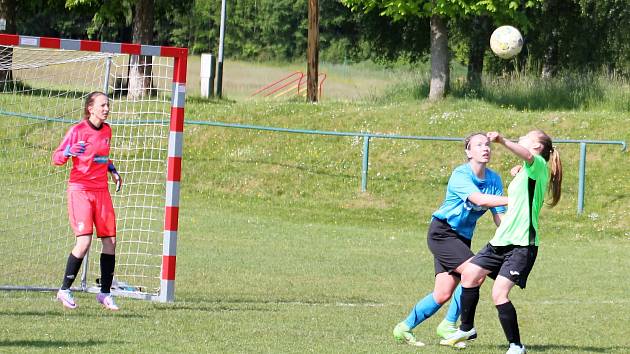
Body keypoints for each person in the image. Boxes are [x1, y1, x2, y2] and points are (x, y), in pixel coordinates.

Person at [440, 130, 562, 354]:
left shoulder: (538, 165)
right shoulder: (529, 169)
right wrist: (519, 172)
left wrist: (503, 141)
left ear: (536, 148)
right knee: (469, 275)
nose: (521, 137)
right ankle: (466, 328)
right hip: (501, 241)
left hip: (522, 244)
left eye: (526, 137)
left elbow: (527, 157)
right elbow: (525, 168)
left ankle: (516, 346)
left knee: (499, 294)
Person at [393, 132, 509, 347]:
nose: (485, 148)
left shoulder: (494, 179)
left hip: (462, 238)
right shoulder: (460, 175)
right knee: (476, 273)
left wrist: (513, 236)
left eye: (487, 145)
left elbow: (498, 215)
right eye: (479, 145)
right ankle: (449, 325)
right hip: (442, 233)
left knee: (443, 293)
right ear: (468, 152)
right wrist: (516, 198)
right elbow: (479, 199)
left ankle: (404, 328)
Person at [52, 91, 123, 311]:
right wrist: (68, 152)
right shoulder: (77, 130)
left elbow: (101, 155)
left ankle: (105, 293)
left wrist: (112, 170)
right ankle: (64, 289)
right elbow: (56, 158)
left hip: (101, 191)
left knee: (110, 241)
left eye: (108, 105)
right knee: (84, 242)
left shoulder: (107, 130)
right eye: (102, 105)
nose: (106, 109)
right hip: (80, 191)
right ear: (90, 108)